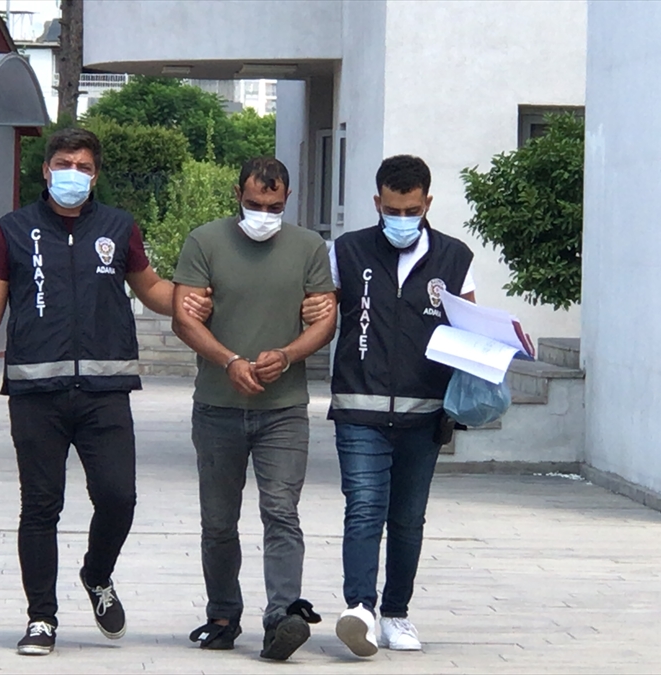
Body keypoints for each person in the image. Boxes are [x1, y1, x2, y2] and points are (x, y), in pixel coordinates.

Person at [0, 128, 221, 656]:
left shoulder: (118, 227)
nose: (74, 174)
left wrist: (190, 300)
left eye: (85, 166)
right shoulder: (14, 230)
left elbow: (151, 288)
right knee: (40, 507)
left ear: (95, 176)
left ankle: (97, 574)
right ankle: (41, 618)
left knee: (118, 497)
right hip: (36, 393)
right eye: (65, 164)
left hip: (104, 391)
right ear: (47, 170)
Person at [171, 157, 338, 661]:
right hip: (217, 405)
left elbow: (324, 319)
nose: (263, 214)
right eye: (254, 204)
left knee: (281, 511)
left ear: (288, 200)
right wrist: (229, 361)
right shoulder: (205, 241)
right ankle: (222, 614)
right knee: (218, 519)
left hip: (283, 408)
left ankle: (282, 617)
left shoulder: (309, 248)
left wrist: (287, 355)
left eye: (274, 206)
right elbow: (183, 317)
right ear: (237, 195)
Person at [328, 155, 475, 657]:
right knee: (364, 508)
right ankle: (360, 610)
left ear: (427, 202)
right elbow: (321, 312)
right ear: (377, 202)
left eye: (412, 210)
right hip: (359, 407)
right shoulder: (347, 251)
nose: (402, 219)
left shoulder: (455, 257)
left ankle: (396, 613)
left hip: (425, 412)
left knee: (408, 519)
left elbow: (471, 329)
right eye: (392, 210)